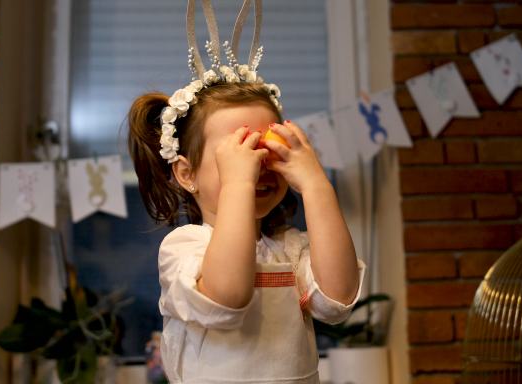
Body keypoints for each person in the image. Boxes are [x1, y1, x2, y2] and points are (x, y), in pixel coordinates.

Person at [127, 1, 364, 382]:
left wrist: (316, 185)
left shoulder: (289, 248)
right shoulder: (186, 248)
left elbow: (336, 301)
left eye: (267, 151)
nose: (256, 166)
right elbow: (227, 298)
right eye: (239, 153)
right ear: (187, 174)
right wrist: (238, 183)